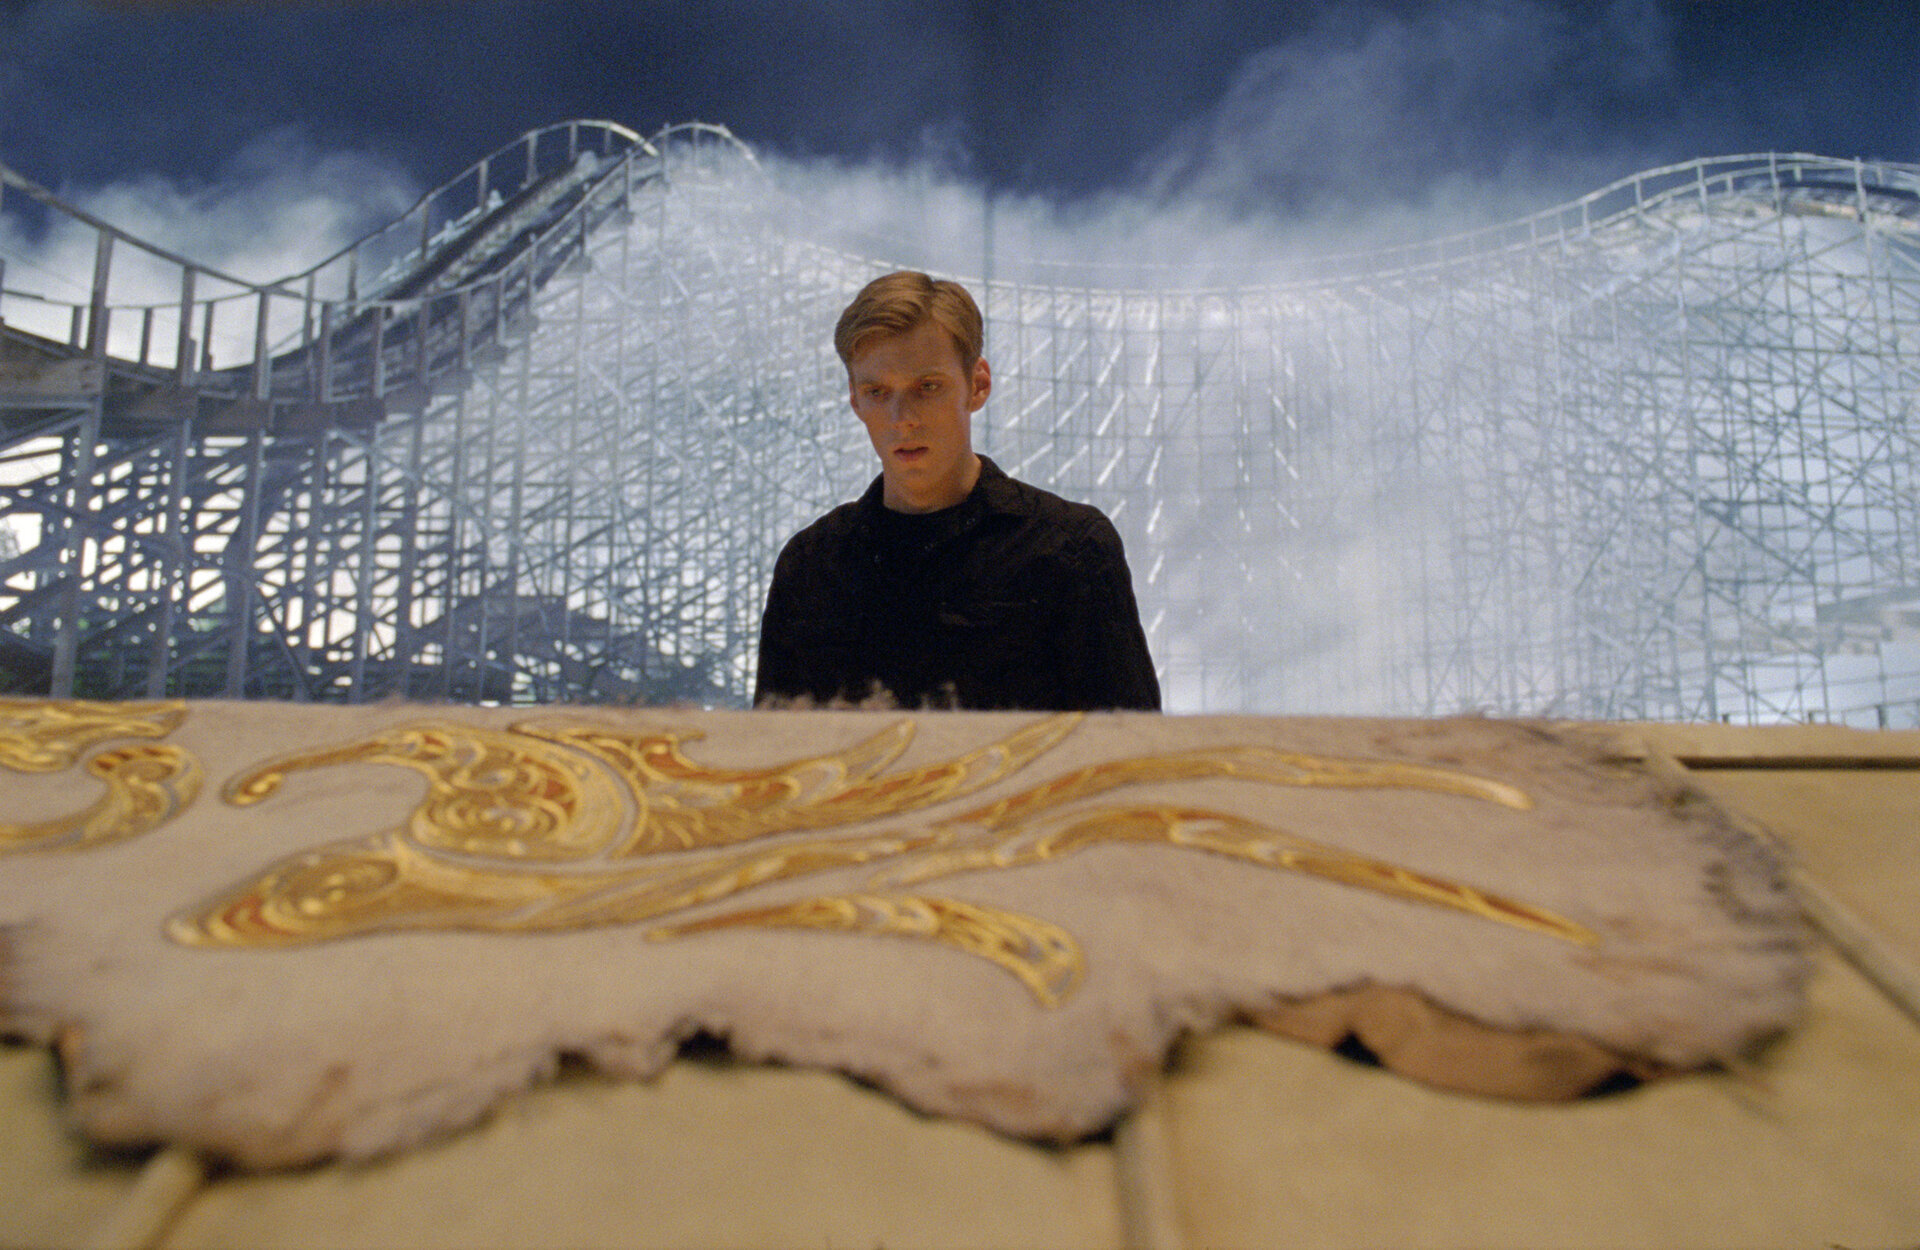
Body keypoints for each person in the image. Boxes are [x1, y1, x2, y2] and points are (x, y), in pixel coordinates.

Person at [753, 270, 1161, 712]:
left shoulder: (1070, 549)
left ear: (978, 385)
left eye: (927, 387)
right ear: (855, 400)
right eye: (878, 391)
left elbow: (1132, 742)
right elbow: (772, 747)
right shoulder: (810, 566)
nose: (903, 418)